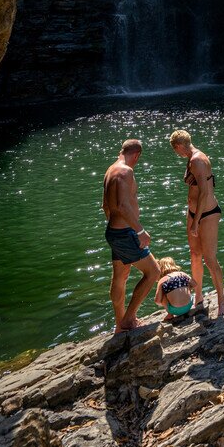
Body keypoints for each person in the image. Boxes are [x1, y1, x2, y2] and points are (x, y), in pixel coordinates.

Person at [102, 138, 160, 332]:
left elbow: (106, 206)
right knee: (154, 272)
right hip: (126, 233)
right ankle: (129, 319)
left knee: (120, 276)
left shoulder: (110, 170)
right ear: (136, 155)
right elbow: (123, 205)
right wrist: (140, 231)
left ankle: (120, 324)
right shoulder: (126, 171)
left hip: (113, 232)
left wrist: (115, 228)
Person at [169, 129, 224, 318]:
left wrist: (196, 222)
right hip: (194, 213)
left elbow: (203, 193)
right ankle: (199, 296)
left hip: (207, 214)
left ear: (178, 146)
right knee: (195, 254)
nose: (176, 154)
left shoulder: (197, 160)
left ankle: (221, 302)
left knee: (210, 259)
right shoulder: (192, 158)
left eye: (175, 150)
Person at [153, 256, 200, 321]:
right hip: (189, 306)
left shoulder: (162, 280)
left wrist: (165, 300)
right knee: (186, 285)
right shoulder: (183, 274)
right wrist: (187, 288)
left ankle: (170, 314)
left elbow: (157, 301)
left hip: (174, 310)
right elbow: (195, 284)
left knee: (163, 295)